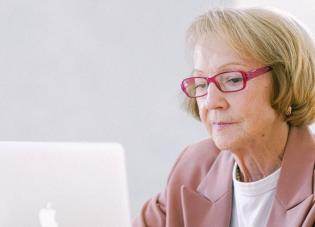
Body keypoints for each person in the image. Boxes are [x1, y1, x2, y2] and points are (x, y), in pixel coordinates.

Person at [133, 7, 315, 227]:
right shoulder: (195, 167)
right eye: (201, 83)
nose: (210, 102)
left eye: (232, 79)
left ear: (285, 82)